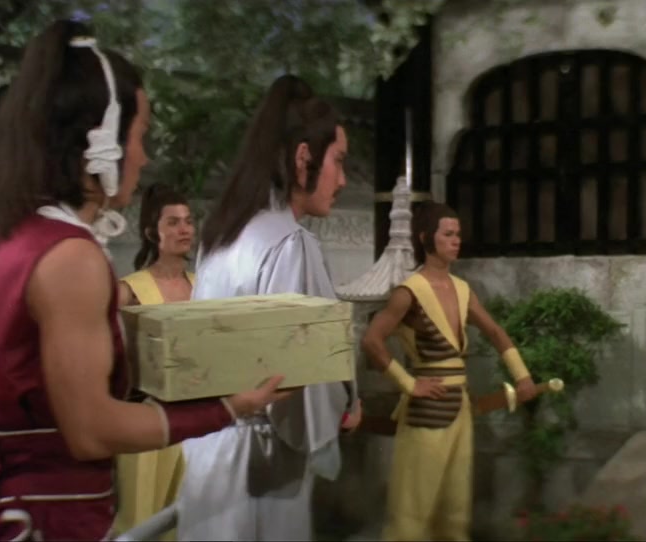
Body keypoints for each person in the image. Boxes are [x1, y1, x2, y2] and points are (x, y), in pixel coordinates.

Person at [0, 20, 288, 542]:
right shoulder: (70, 257)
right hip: (48, 524)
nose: (143, 156)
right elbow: (91, 431)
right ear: (102, 141)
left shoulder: (12, 237)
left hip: (14, 507)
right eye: (139, 136)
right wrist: (228, 409)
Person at [175, 75, 362, 541]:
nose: (342, 180)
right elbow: (302, 373)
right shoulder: (289, 244)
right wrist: (346, 406)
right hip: (261, 460)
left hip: (210, 444)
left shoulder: (223, 235)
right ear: (304, 158)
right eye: (338, 161)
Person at [361, 202, 540, 541]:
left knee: (455, 511)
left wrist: (523, 376)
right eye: (448, 234)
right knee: (412, 511)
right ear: (426, 237)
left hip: (460, 409)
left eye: (458, 234)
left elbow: (495, 332)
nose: (456, 240)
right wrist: (408, 383)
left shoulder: (462, 289)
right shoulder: (409, 291)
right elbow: (371, 340)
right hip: (426, 410)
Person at [111, 182, 196, 540]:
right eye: (173, 222)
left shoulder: (204, 285)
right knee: (139, 519)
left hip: (196, 418)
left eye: (188, 221)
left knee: (184, 521)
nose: (184, 229)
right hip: (144, 416)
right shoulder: (129, 290)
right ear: (152, 232)